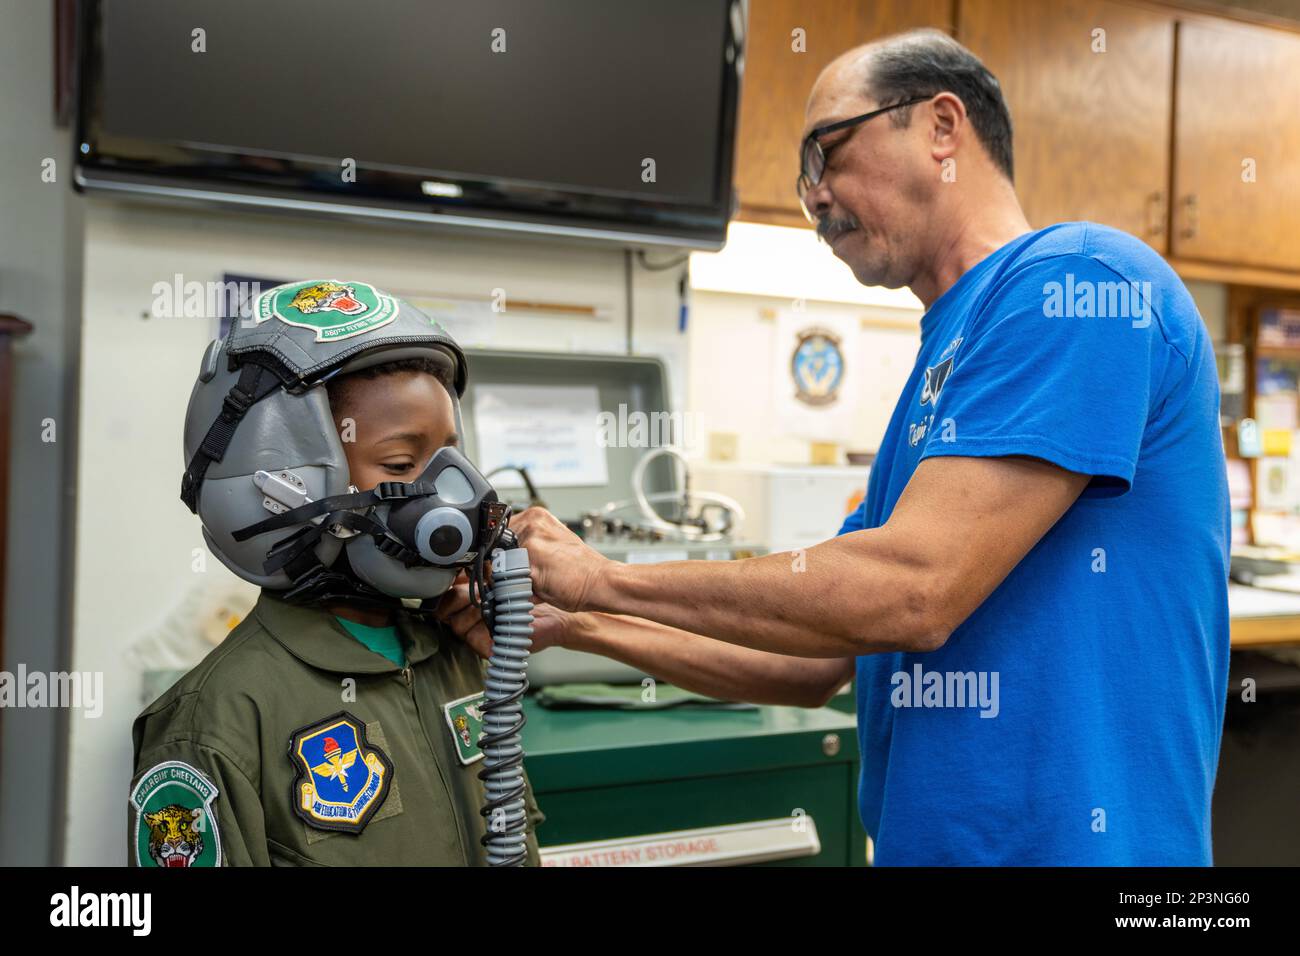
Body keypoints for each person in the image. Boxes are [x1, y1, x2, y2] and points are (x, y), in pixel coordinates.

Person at [439, 31, 1230, 866]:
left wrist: (605, 575)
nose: (813, 195)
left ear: (941, 126)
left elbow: (912, 591)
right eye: (802, 175)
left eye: (827, 151)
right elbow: (819, 660)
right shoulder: (943, 367)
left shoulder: (1082, 282)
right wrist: (578, 623)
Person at [129, 279, 543, 866]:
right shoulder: (216, 720)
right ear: (281, 484)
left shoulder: (458, 656)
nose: (459, 493)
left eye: (451, 458)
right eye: (402, 463)